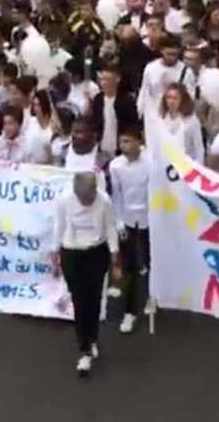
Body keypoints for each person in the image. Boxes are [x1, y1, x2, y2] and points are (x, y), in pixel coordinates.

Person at [52, 170, 121, 376]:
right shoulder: (64, 201)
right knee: (80, 301)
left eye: (91, 197)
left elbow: (110, 228)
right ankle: (85, 346)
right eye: (84, 198)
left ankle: (93, 337)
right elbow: (59, 226)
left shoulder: (104, 201)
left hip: (96, 253)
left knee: (94, 299)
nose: (88, 202)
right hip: (72, 254)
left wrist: (114, 255)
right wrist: (54, 253)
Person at [108, 127, 151, 334]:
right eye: (121, 142)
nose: (123, 146)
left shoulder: (151, 162)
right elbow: (116, 197)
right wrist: (118, 223)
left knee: (150, 263)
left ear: (138, 141)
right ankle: (129, 311)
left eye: (127, 141)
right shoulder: (116, 166)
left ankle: (151, 296)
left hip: (149, 220)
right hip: (127, 219)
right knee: (130, 267)